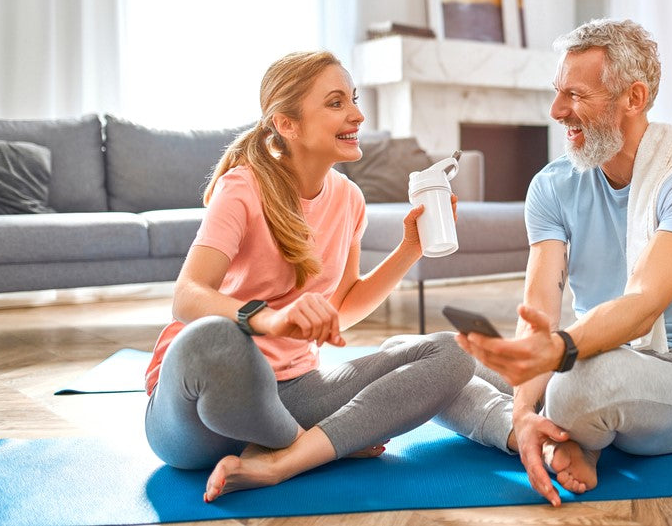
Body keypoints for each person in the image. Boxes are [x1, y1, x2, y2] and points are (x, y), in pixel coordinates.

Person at [143, 50, 475, 502]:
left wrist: (409, 250)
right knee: (213, 342)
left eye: (353, 99)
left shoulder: (349, 200)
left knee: (453, 352)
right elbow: (187, 296)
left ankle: (286, 456)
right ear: (287, 124)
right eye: (336, 103)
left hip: (295, 393)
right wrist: (271, 320)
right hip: (199, 414)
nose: (357, 114)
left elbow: (342, 308)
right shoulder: (242, 187)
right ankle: (318, 440)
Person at [440, 18, 672, 506]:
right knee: (438, 358)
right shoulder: (552, 185)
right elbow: (540, 305)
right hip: (578, 349)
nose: (556, 111)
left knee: (579, 386)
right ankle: (535, 433)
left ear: (633, 98)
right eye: (557, 92)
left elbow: (642, 302)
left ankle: (563, 427)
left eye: (575, 95)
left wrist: (555, 356)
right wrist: (521, 403)